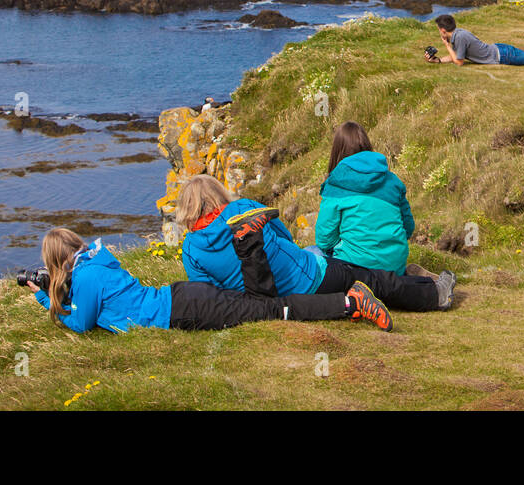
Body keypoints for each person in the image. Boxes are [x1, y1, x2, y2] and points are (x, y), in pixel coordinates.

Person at [176, 174, 454, 314]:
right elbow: (282, 235)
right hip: (309, 277)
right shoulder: (244, 208)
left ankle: (426, 288)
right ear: (217, 194)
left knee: (344, 271)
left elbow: (209, 292)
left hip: (269, 302)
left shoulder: (190, 249)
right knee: (369, 278)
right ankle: (435, 294)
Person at [27, 227, 395, 333]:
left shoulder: (87, 277)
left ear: (55, 262)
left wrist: (45, 299)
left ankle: (351, 303)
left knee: (271, 312)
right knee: (266, 307)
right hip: (182, 297)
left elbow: (80, 323)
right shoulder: (96, 259)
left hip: (184, 310)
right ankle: (350, 300)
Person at [316, 122, 417, 278]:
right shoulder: (393, 181)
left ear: (337, 150)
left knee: (311, 253)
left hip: (355, 271)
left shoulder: (335, 184)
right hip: (394, 269)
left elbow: (324, 240)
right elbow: (408, 227)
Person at [427, 13, 524, 65]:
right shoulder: (458, 34)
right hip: (500, 51)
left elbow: (459, 62)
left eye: (438, 30)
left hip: (503, 55)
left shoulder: (460, 37)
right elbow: (458, 56)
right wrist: (439, 60)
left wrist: (446, 46)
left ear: (443, 30)